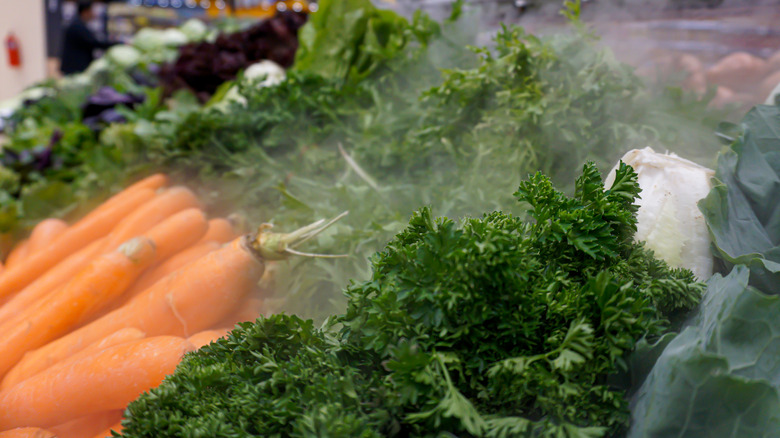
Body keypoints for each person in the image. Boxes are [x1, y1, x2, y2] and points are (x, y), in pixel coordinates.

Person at [60, 1, 115, 75]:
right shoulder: (78, 26)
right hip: (74, 68)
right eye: (92, 11)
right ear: (85, 12)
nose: (94, 14)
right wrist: (116, 44)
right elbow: (93, 42)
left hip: (75, 67)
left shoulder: (79, 24)